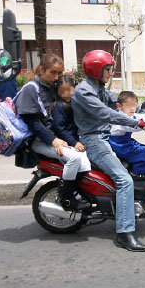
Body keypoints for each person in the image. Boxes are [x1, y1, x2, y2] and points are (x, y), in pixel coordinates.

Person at [71, 50, 145, 252]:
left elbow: (117, 105)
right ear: (96, 69)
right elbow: (106, 113)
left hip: (104, 139)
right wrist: (135, 121)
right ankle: (124, 233)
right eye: (107, 69)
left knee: (128, 171)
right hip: (94, 141)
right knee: (125, 180)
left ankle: (124, 209)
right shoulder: (84, 92)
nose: (110, 73)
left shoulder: (99, 89)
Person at [15, 53, 90, 211]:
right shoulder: (31, 88)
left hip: (54, 138)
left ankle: (79, 193)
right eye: (52, 72)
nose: (56, 77)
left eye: (59, 73)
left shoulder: (51, 87)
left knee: (85, 160)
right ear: (41, 69)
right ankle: (66, 196)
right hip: (38, 141)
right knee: (74, 158)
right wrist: (53, 140)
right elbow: (32, 122)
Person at [50, 75, 92, 209]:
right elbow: (59, 128)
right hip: (67, 142)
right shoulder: (59, 106)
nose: (66, 94)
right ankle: (66, 194)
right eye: (62, 91)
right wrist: (74, 143)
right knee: (78, 161)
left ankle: (76, 190)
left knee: (86, 166)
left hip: (77, 139)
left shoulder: (74, 102)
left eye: (69, 90)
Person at [109, 91, 145, 179]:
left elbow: (137, 116)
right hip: (119, 145)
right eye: (129, 106)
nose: (132, 109)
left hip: (124, 142)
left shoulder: (126, 114)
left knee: (142, 147)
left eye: (134, 106)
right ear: (119, 106)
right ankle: (137, 174)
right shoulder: (120, 118)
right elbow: (134, 125)